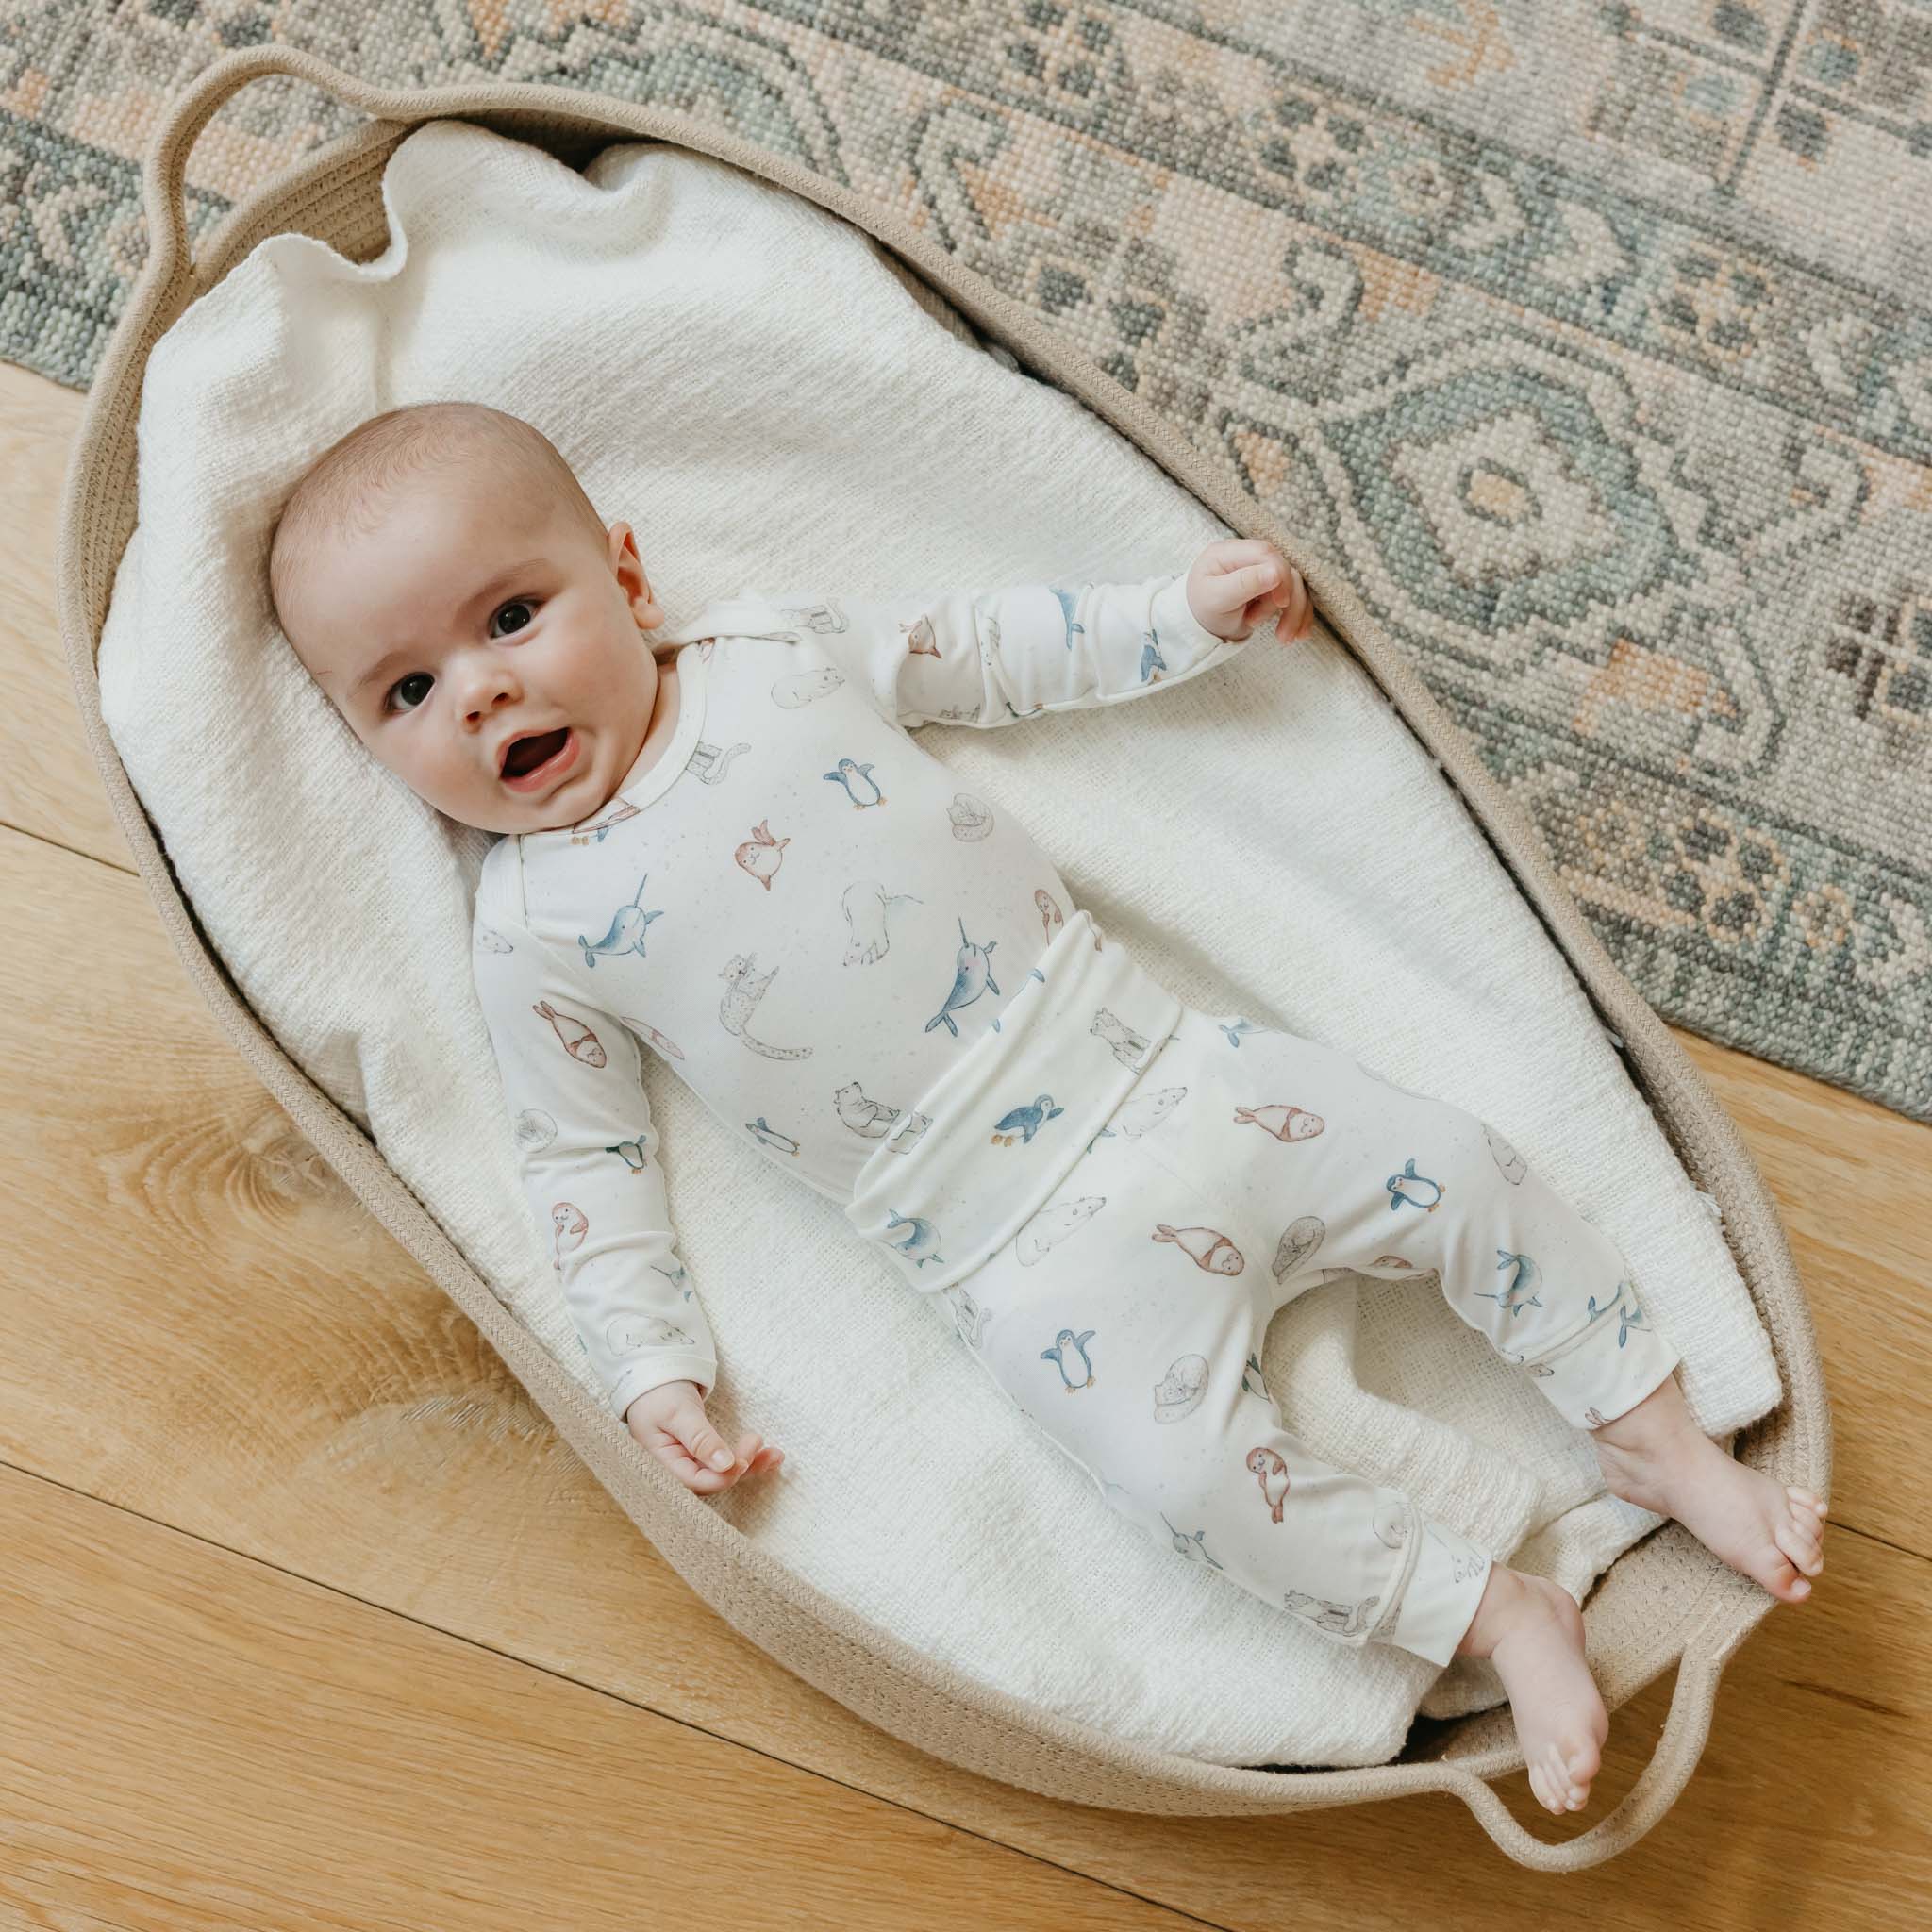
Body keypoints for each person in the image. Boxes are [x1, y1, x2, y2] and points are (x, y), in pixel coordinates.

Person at [269, 399, 1826, 1819]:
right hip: (1018, 1259)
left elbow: (982, 650)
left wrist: (1178, 618)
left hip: (1163, 1069)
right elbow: (583, 1156)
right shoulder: (531, 934)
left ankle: (1651, 1437)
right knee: (1185, 1485)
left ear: (628, 578)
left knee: (1459, 1168)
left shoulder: (769, 655)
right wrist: (649, 1366)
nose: (481, 691)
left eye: (513, 617)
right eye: (408, 690)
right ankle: (1490, 1611)